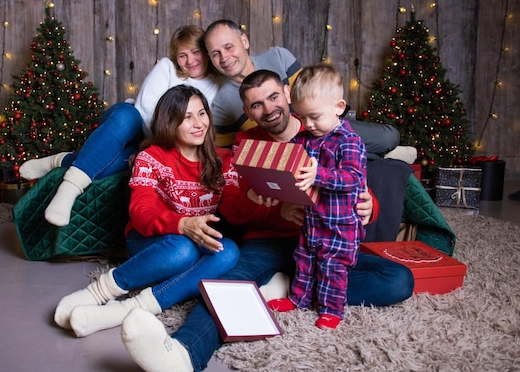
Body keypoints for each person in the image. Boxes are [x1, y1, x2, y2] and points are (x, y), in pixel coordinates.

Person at [120, 69, 415, 372]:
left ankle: (295, 285)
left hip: (327, 241)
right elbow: (232, 209)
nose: (269, 108)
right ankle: (183, 353)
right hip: (267, 242)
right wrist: (275, 209)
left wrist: (371, 206)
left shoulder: (330, 131)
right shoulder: (245, 144)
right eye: (256, 104)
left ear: (288, 95)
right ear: (247, 112)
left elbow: (357, 182)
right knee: (226, 286)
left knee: (398, 280)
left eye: (274, 97)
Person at [54, 85, 271, 337]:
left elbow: (234, 211)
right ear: (170, 122)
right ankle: (100, 291)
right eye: (187, 117)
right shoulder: (152, 156)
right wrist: (182, 224)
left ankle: (133, 307)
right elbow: (141, 213)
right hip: (150, 240)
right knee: (182, 249)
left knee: (228, 251)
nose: (199, 123)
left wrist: (252, 197)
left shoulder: (224, 160)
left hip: (196, 239)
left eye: (202, 114)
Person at [19, 25, 223, 226]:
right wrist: (164, 143)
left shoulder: (217, 83)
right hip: (131, 124)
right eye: (182, 55)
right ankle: (69, 189)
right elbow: (146, 107)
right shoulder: (167, 68)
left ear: (206, 52)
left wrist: (159, 151)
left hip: (156, 142)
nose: (190, 60)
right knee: (127, 116)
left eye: (195, 52)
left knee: (105, 168)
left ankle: (62, 160)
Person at [203, 19, 409, 162]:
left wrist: (332, 117)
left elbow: (312, 93)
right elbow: (225, 154)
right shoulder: (221, 102)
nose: (224, 57)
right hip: (288, 150)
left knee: (388, 137)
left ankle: (356, 159)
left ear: (244, 41)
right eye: (216, 54)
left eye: (229, 47)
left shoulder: (278, 57)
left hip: (321, 125)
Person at [265, 64, 367, 331]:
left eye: (315, 117)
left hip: (340, 227)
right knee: (305, 261)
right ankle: (298, 299)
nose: (308, 124)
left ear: (339, 107)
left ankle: (331, 310)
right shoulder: (305, 139)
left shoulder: (349, 141)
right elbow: (285, 160)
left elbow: (353, 177)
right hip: (311, 223)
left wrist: (318, 175)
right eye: (302, 117)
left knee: (332, 268)